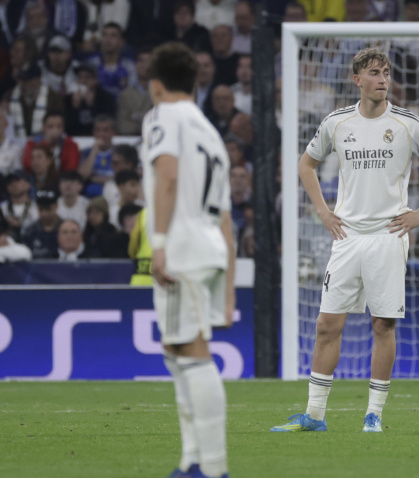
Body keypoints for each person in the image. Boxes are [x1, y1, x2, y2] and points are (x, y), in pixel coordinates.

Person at [271, 48, 419, 434]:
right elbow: (305, 163)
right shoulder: (337, 122)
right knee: (326, 324)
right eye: (374, 73)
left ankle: (374, 413)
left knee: (382, 325)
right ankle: (316, 415)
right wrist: (323, 210)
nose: (382, 79)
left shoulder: (408, 123)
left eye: (386, 72)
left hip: (388, 238)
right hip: (346, 237)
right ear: (357, 80)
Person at [142, 42, 234, 478]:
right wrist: (229, 290)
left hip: (182, 250)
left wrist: (158, 243)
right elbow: (227, 217)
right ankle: (191, 460)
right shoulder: (210, 131)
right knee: (178, 352)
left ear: (155, 85)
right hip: (210, 248)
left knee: (192, 354)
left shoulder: (162, 115)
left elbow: (168, 175)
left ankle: (212, 468)